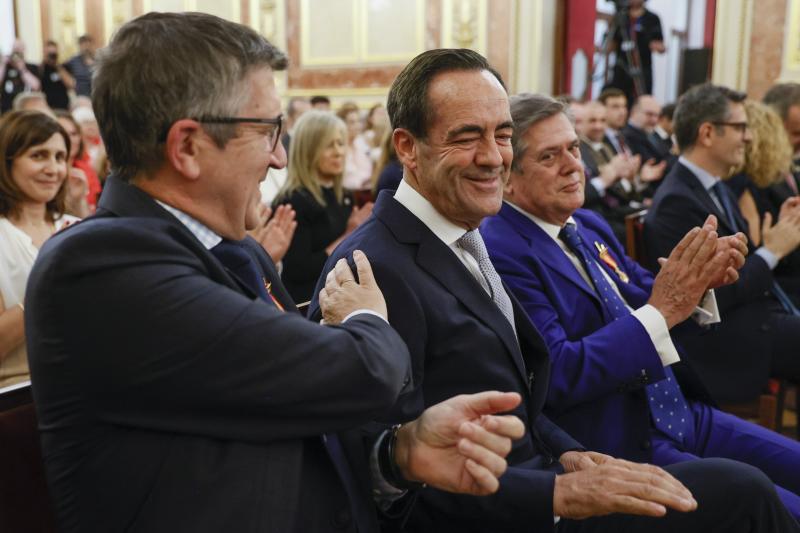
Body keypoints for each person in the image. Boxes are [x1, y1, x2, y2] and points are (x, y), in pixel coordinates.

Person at [25, 13, 526, 533]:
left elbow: (302, 410)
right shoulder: (96, 266)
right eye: (268, 131)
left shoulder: (243, 254)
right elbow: (364, 371)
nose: (281, 159)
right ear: (187, 147)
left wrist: (398, 455)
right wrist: (367, 319)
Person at [312, 47, 800, 533]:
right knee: (745, 497)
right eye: (466, 137)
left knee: (744, 488)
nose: (491, 157)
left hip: (561, 468)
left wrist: (568, 452)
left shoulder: (465, 234)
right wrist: (557, 494)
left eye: (502, 135)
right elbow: (383, 474)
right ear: (406, 147)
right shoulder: (369, 269)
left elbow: (515, 391)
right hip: (518, 510)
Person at [481, 92, 800, 519]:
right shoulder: (502, 249)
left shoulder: (586, 225)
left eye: (574, 148)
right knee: (776, 509)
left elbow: (651, 294)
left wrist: (700, 285)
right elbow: (558, 372)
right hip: (622, 441)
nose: (575, 165)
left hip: (680, 412)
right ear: (509, 178)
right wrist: (666, 306)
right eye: (549, 156)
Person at [645, 83, 800, 403]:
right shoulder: (677, 200)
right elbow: (713, 297)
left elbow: (738, 265)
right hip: (727, 342)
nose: (749, 136)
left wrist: (777, 236)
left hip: (757, 317)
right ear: (707, 133)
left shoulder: (714, 186)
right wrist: (773, 250)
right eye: (740, 127)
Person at [0, 110, 78, 387]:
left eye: (60, 157)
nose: (53, 169)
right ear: (6, 161)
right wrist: (46, 290)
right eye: (38, 155)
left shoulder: (77, 228)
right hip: (21, 400)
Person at [273, 110, 373, 304]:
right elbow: (298, 270)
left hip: (342, 297)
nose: (338, 152)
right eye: (329, 145)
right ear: (309, 149)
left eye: (341, 143)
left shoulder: (343, 195)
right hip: (308, 304)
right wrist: (349, 234)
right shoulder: (292, 201)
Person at [607, 0, 665, 103]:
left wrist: (656, 46)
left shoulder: (652, 18)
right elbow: (611, 44)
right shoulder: (620, 17)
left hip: (642, 71)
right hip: (621, 69)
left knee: (642, 100)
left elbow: (660, 45)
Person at [54, 110, 102, 211]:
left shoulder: (87, 171)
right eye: (63, 133)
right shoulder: (47, 172)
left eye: (74, 134)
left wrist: (79, 201)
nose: (70, 139)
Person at [337, 102, 374, 190]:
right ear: (342, 125)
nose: (357, 126)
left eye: (358, 121)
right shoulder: (338, 148)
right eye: (352, 122)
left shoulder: (363, 144)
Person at [0, 39, 41, 114]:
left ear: (24, 51)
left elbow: (36, 86)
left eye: (19, 50)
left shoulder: (31, 67)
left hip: (26, 108)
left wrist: (22, 69)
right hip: (7, 108)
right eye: (15, 50)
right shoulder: (6, 67)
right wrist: (3, 64)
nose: (17, 53)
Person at [39, 40, 75, 111]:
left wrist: (57, 66)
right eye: (49, 54)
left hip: (63, 105)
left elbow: (71, 85)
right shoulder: (41, 68)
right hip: (47, 106)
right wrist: (45, 61)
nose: (52, 56)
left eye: (53, 54)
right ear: (44, 53)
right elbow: (38, 86)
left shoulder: (64, 67)